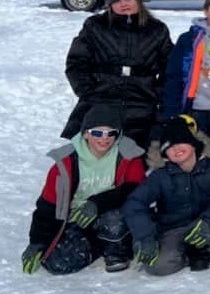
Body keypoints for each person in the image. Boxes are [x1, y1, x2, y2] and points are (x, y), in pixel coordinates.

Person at [22, 106, 145, 275]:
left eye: (111, 133)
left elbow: (136, 190)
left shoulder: (128, 154)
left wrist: (98, 203)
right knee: (57, 264)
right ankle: (98, 244)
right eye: (97, 133)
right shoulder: (64, 163)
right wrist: (37, 242)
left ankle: (117, 250)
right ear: (86, 133)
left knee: (115, 219)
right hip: (77, 218)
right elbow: (48, 206)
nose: (104, 138)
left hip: (111, 214)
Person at [62, 0, 173, 149]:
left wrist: (157, 92)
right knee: (97, 153)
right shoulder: (95, 26)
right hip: (102, 98)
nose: (124, 4)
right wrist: (87, 90)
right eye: (117, 0)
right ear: (110, 5)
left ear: (138, 0)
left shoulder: (157, 29)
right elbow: (76, 62)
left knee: (138, 156)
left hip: (142, 100)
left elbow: (170, 67)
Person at [122, 117, 210, 275]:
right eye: (170, 147)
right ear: (165, 154)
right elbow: (134, 203)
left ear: (192, 143)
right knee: (157, 267)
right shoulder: (159, 175)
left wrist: (208, 222)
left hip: (204, 223)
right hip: (173, 230)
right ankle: (186, 254)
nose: (176, 149)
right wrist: (145, 237)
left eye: (180, 142)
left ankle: (202, 251)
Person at [162, 0, 210, 163]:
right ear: (206, 11)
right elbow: (174, 75)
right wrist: (171, 109)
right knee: (197, 153)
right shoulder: (189, 39)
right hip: (196, 108)